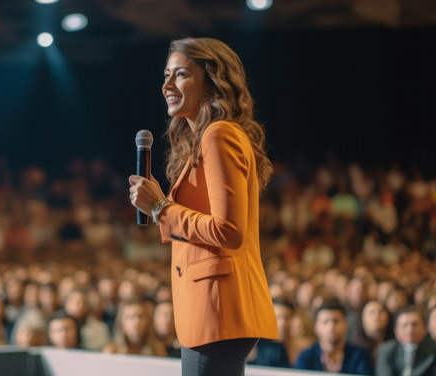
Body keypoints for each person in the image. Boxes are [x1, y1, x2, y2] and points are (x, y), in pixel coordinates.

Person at [128, 37, 278, 375]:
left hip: (217, 307)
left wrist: (160, 208)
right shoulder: (208, 137)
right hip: (213, 308)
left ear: (211, 79)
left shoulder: (218, 135)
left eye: (180, 74)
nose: (167, 85)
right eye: (166, 75)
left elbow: (230, 231)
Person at [294, 301, 373, 375]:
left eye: (335, 321)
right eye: (325, 322)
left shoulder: (360, 355)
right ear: (316, 327)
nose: (331, 327)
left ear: (346, 324)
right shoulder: (306, 357)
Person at [376, 306, 436, 376]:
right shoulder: (386, 350)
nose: (410, 330)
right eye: (404, 325)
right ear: (396, 331)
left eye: (414, 324)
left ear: (424, 329)